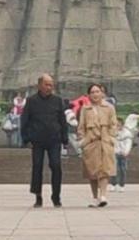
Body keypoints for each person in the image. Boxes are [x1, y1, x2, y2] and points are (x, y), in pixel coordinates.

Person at [20, 74, 68, 208]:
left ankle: (56, 196)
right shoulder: (31, 101)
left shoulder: (58, 100)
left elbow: (62, 121)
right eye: (47, 84)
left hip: (54, 140)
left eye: (51, 85)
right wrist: (26, 138)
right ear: (39, 85)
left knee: (56, 166)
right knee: (37, 166)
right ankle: (38, 196)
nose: (50, 87)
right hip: (37, 140)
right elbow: (25, 120)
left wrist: (65, 138)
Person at [77, 83, 118, 207]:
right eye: (93, 92)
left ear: (102, 93)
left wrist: (111, 138)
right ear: (89, 95)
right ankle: (95, 197)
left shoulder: (109, 108)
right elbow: (81, 127)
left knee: (104, 170)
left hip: (105, 142)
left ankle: (103, 195)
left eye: (97, 91)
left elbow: (113, 124)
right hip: (91, 143)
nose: (95, 94)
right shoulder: (85, 109)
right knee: (92, 171)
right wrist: (83, 141)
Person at [115, 114, 138, 192]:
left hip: (123, 153)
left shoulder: (127, 133)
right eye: (116, 124)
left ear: (122, 124)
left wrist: (126, 152)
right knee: (113, 169)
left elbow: (128, 143)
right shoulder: (112, 132)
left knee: (122, 169)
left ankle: (121, 185)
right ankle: (113, 184)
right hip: (115, 153)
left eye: (119, 124)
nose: (117, 126)